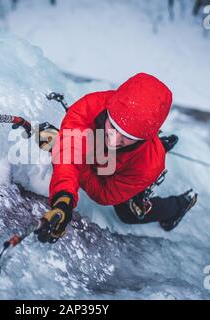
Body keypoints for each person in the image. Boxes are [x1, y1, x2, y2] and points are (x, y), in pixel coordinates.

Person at [36, 73, 198, 243]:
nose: (114, 139)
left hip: (128, 167)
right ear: (108, 110)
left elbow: (104, 194)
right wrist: (63, 199)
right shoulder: (90, 107)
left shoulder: (148, 165)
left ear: (144, 137)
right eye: (113, 125)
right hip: (104, 155)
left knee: (128, 214)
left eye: (128, 135)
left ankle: (178, 206)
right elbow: (69, 155)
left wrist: (71, 155)